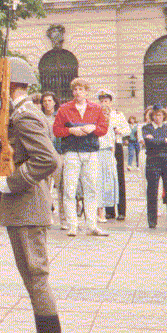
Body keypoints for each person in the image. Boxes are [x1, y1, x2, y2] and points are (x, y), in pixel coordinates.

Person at [0, 58, 62, 333]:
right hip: (23, 207)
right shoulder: (18, 114)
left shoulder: (24, 115)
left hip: (27, 204)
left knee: (36, 278)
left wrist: (13, 181)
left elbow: (48, 160)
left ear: (8, 85)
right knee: (33, 278)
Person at [52, 77, 109, 236]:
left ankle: (92, 225)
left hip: (90, 151)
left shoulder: (96, 108)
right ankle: (72, 225)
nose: (78, 92)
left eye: (81, 89)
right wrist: (70, 131)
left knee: (91, 188)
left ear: (86, 91)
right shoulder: (64, 109)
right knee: (69, 189)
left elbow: (103, 129)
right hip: (71, 151)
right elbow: (56, 130)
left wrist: (93, 128)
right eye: (76, 89)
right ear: (73, 92)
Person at [141, 104, 167, 229]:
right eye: (156, 115)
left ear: (164, 116)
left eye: (160, 115)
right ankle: (152, 221)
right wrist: (164, 141)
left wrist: (157, 140)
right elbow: (149, 142)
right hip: (153, 160)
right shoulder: (147, 128)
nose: (158, 117)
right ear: (152, 116)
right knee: (152, 190)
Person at [96, 89, 129, 223]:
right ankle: (109, 210)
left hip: (117, 146)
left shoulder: (117, 115)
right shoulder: (98, 115)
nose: (104, 103)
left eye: (107, 101)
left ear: (111, 102)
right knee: (105, 179)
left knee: (118, 178)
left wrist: (119, 131)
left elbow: (127, 130)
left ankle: (121, 210)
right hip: (103, 149)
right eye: (102, 101)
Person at [40, 91, 67, 229]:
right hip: (43, 155)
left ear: (54, 102)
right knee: (43, 188)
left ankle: (64, 219)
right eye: (44, 101)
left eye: (49, 100)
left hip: (57, 153)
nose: (47, 103)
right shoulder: (39, 117)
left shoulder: (59, 116)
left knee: (61, 187)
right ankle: (46, 217)